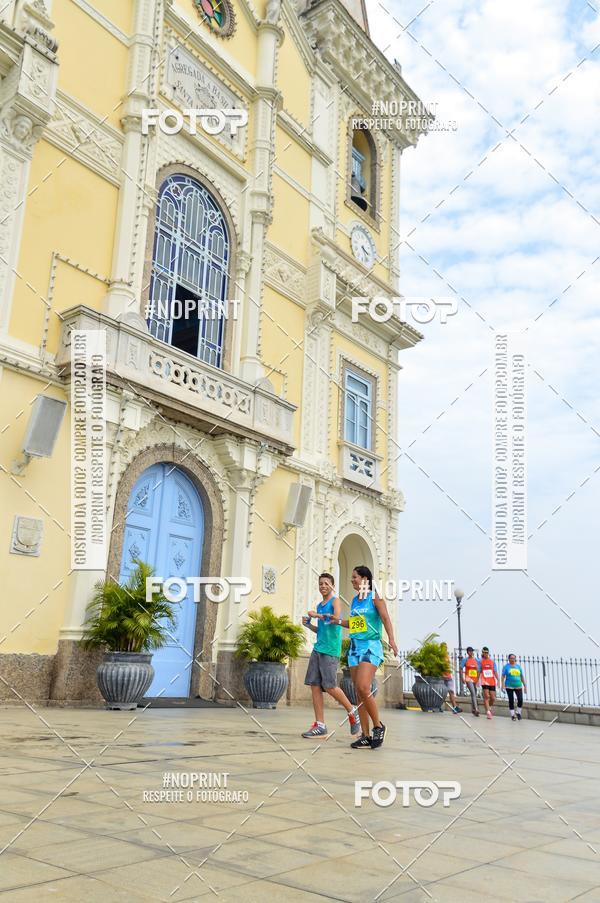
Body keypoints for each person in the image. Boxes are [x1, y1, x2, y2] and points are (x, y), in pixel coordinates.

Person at [337, 565, 398, 749]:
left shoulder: (375, 597)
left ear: (365, 579)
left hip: (371, 647)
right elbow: (355, 624)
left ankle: (378, 726)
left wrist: (392, 640)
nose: (352, 580)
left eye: (354, 577)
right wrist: (337, 621)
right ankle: (365, 735)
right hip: (355, 648)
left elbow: (385, 618)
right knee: (358, 692)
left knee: (364, 687)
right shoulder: (355, 601)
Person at [301, 573, 360, 738]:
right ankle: (320, 725)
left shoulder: (335, 601)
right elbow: (322, 629)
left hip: (330, 651)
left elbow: (335, 619)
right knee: (314, 685)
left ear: (332, 586)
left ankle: (352, 710)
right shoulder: (319, 605)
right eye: (321, 583)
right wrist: (309, 625)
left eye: (326, 583)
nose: (323, 586)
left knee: (329, 686)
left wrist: (317, 615)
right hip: (318, 649)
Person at [502, 654, 527, 721]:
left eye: (514, 658)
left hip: (518, 685)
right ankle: (513, 715)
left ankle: (518, 712)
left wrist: (525, 686)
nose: (512, 659)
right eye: (511, 658)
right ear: (509, 659)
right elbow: (503, 676)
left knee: (520, 699)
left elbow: (521, 676)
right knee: (511, 700)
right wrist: (502, 685)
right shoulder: (506, 667)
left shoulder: (518, 667)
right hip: (509, 686)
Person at [440, 641, 461, 713]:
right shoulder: (440, 656)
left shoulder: (447, 655)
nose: (445, 649)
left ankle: (455, 707)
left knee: (451, 692)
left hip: (448, 677)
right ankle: (439, 706)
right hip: (442, 677)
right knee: (442, 693)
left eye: (446, 647)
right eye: (444, 647)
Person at [479, 646, 499, 719]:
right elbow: (479, 671)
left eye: (487, 652)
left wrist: (498, 680)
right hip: (484, 681)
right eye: (484, 652)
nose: (485, 654)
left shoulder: (492, 661)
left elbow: (495, 671)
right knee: (486, 696)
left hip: (491, 681)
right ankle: (488, 712)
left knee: (493, 698)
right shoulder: (480, 661)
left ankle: (489, 707)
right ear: (482, 653)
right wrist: (477, 681)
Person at [460, 646, 480, 716]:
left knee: (474, 693)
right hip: (468, 678)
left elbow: (478, 670)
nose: (471, 652)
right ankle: (476, 709)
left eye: (472, 651)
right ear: (467, 652)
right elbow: (461, 669)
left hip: (474, 678)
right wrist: (462, 678)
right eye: (469, 651)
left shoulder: (476, 660)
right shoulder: (465, 660)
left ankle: (473, 709)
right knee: (473, 692)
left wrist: (477, 679)